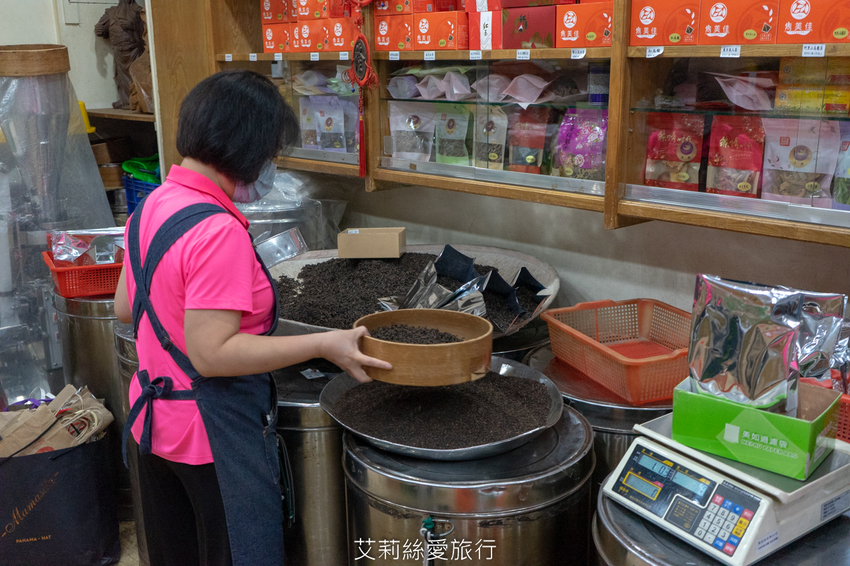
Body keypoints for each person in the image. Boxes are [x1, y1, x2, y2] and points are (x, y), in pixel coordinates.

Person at [114, 69, 391, 566]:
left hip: (153, 424)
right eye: (270, 154)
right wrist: (324, 343)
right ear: (245, 147)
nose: (271, 166)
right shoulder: (217, 230)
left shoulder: (156, 202)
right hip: (211, 437)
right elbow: (213, 354)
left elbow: (125, 306)